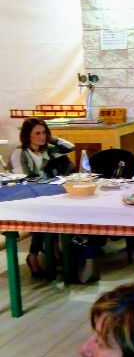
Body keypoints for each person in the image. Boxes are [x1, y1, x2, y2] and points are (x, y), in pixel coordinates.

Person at [10, 117, 75, 277]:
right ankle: (34, 255)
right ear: (27, 135)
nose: (42, 136)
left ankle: (54, 249)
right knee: (44, 216)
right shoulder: (20, 153)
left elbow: (69, 147)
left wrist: (49, 138)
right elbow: (23, 178)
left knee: (58, 210)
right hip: (26, 195)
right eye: (37, 133)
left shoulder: (47, 150)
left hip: (46, 193)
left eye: (44, 132)